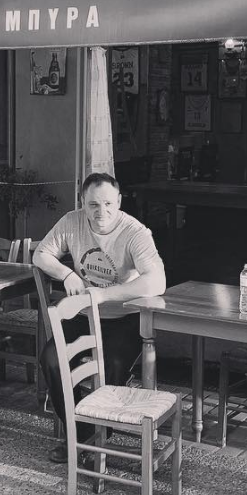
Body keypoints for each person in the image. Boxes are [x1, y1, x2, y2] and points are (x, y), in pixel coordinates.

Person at [34, 172, 167, 464]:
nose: (101, 211)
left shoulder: (135, 232)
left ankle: (97, 438)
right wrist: (66, 273)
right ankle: (80, 435)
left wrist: (104, 295)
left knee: (111, 366)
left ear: (118, 201)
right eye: (93, 204)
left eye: (108, 204)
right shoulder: (71, 222)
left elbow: (157, 281)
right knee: (51, 359)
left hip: (125, 318)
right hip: (84, 315)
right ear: (82, 201)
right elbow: (40, 255)